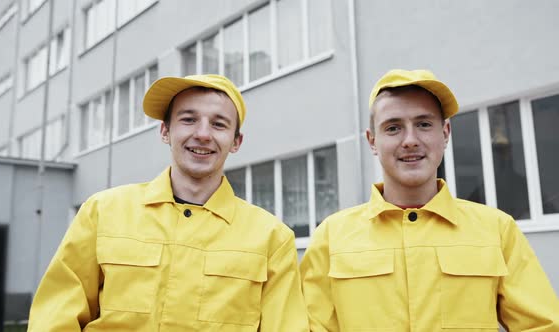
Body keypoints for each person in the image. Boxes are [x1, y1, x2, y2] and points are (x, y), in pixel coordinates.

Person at [28, 74, 309, 331]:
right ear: (165, 131)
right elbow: (55, 318)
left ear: (236, 141)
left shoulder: (272, 238)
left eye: (219, 124)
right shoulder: (103, 212)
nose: (202, 133)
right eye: (188, 119)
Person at [300, 69, 559, 331]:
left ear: (445, 133)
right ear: (372, 141)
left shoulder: (498, 231)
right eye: (393, 128)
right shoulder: (331, 237)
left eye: (424, 124)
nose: (410, 140)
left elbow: (543, 326)